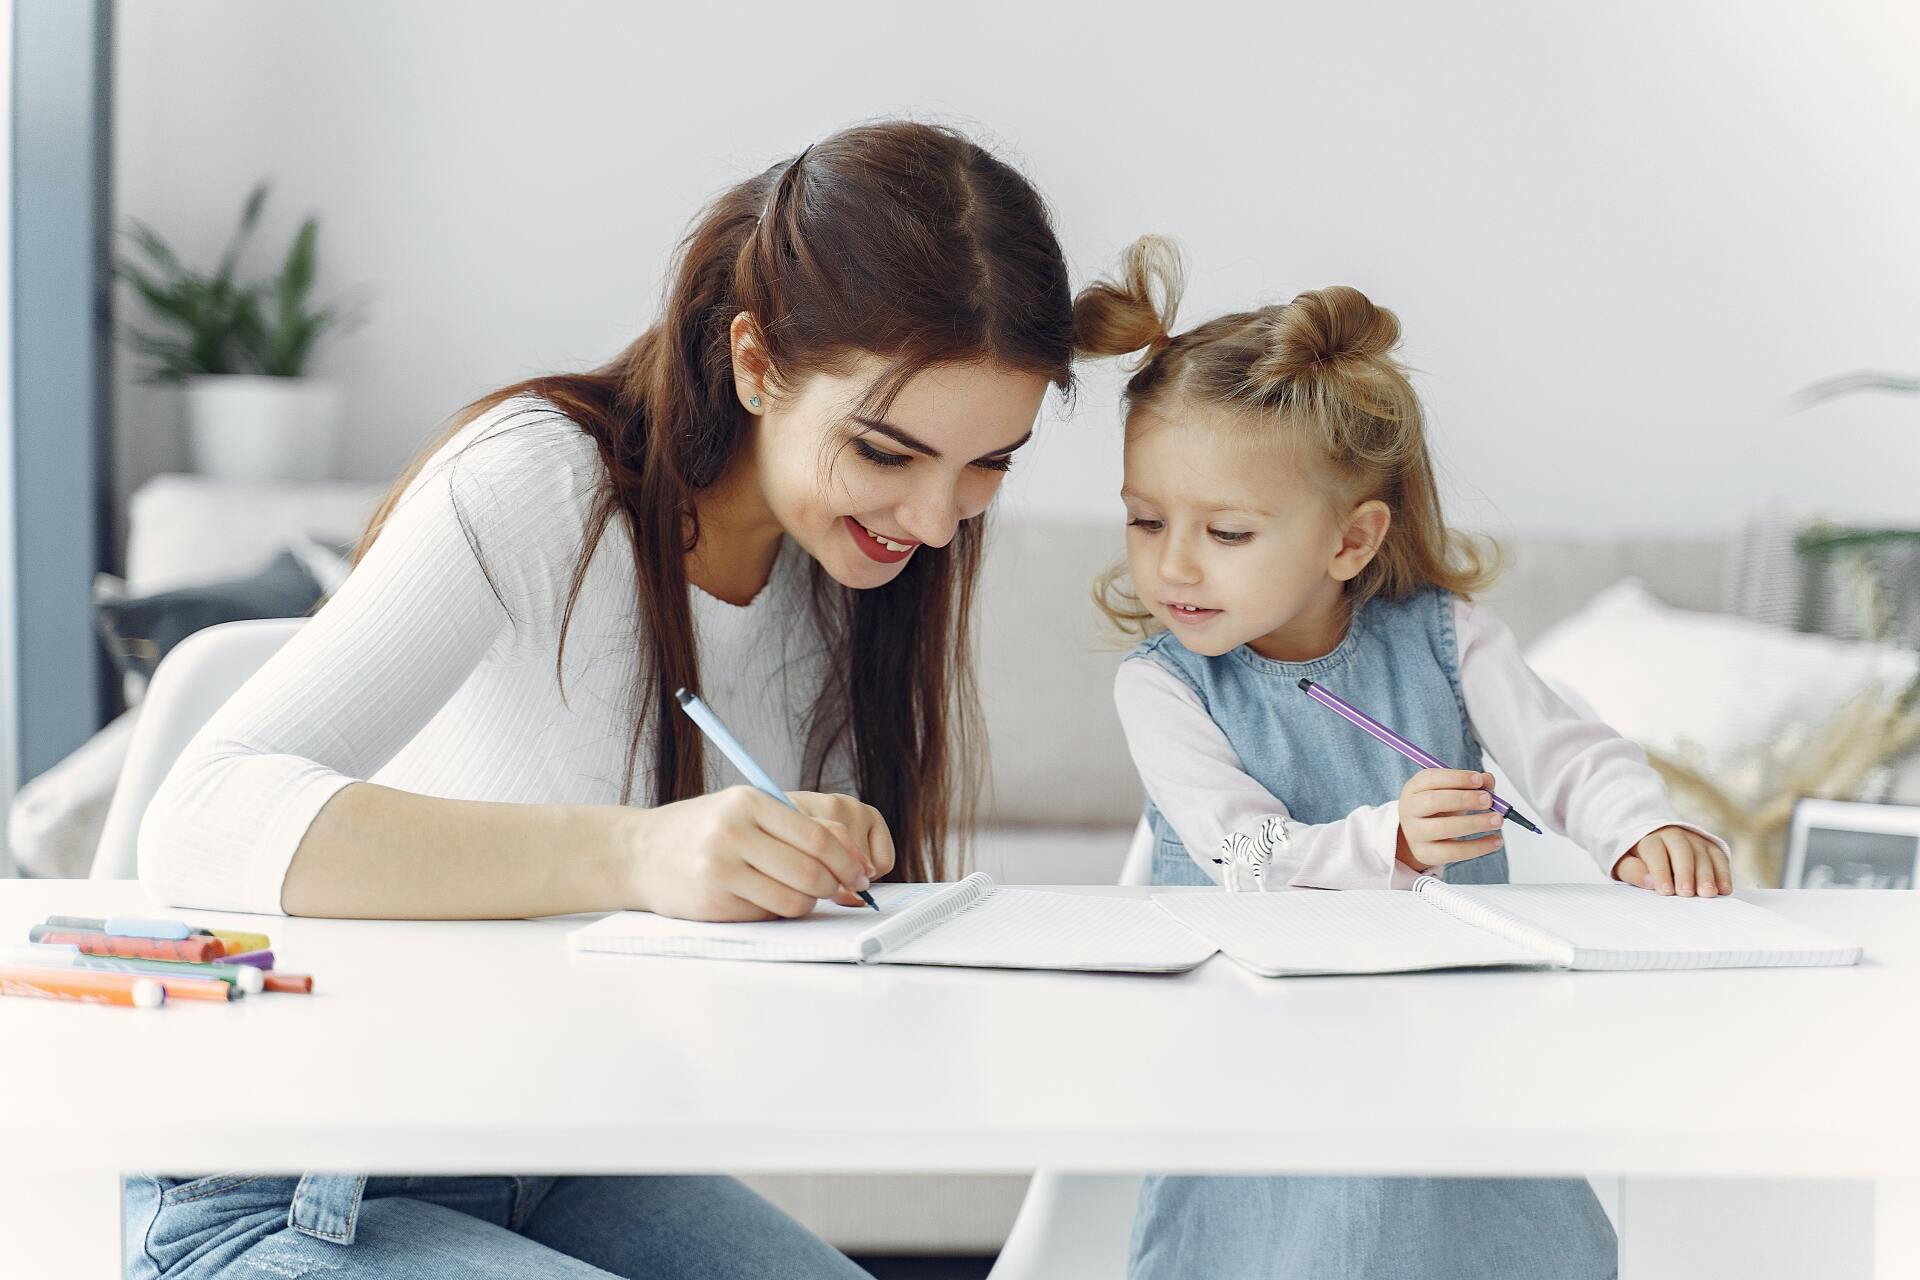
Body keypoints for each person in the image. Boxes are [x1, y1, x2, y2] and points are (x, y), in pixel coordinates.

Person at [128, 120, 1079, 1280]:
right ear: (756, 361)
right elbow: (202, 814)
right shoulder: (539, 482)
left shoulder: (847, 574)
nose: (935, 519)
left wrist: (802, 876)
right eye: (887, 451)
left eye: (989, 463)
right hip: (300, 1187)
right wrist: (641, 854)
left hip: (568, 1152)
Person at [1077, 235, 1732, 1279]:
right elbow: (1242, 856)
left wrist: (1639, 825)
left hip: (1450, 1050)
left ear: (1350, 538)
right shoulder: (1162, 685)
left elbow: (1567, 754)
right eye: (1146, 520)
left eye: (1227, 531)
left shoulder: (1447, 639)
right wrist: (1392, 840)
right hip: (1262, 1060)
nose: (1173, 563)